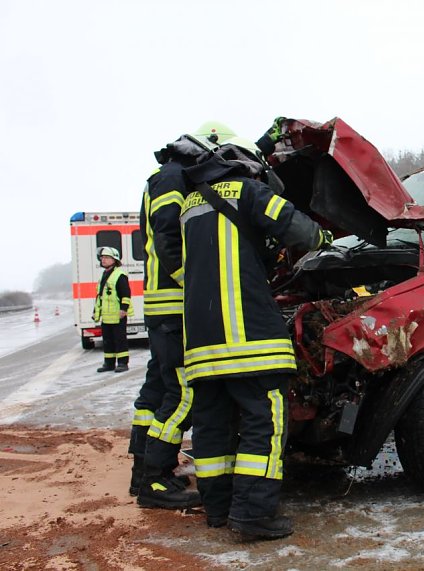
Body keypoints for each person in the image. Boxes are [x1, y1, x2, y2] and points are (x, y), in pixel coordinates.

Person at [180, 136, 331, 538]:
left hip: (201, 345)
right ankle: (253, 516)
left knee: (212, 428)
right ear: (247, 163)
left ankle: (218, 509)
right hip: (250, 341)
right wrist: (327, 240)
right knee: (265, 423)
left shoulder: (189, 205)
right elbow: (303, 233)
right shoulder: (250, 190)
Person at [130, 122, 236, 509]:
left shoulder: (162, 176)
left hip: (161, 306)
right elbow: (167, 237)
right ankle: (153, 481)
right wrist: (194, 284)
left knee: (158, 389)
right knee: (185, 394)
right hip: (174, 305)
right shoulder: (173, 178)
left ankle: (142, 470)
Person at [92, 246, 132, 373]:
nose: (103, 260)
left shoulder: (119, 275)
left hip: (117, 314)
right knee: (107, 340)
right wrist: (96, 311)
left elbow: (126, 294)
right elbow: (100, 297)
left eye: (107, 258)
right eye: (102, 257)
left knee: (120, 339)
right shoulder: (104, 274)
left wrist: (124, 309)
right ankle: (109, 364)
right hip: (107, 315)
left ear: (114, 260)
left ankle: (122, 363)